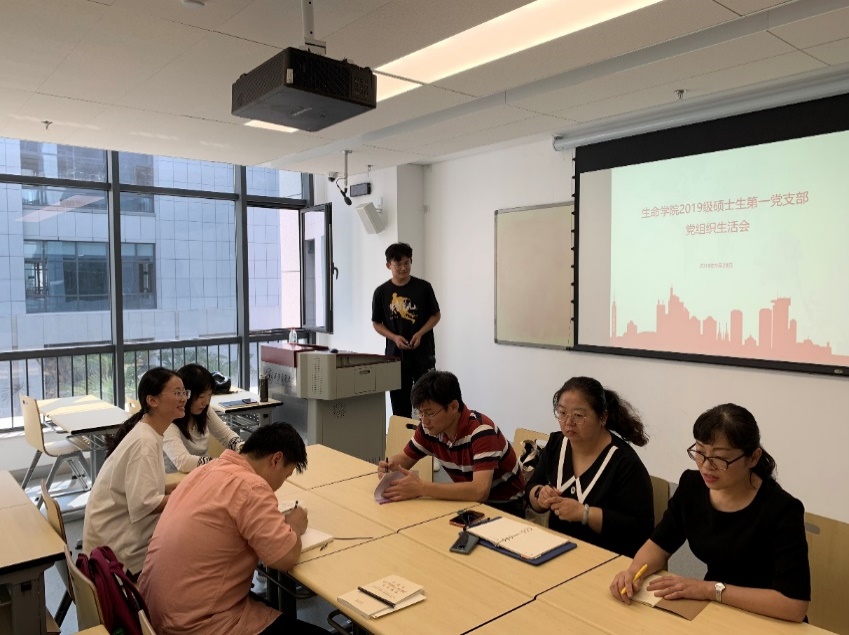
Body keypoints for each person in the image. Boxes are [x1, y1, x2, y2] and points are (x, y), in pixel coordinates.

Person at [611, 403, 810, 623]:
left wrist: (709, 589)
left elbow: (794, 606)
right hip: (716, 610)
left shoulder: (782, 510)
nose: (706, 466)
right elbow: (659, 544)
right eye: (700, 452)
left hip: (770, 619)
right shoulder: (692, 486)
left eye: (720, 458)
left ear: (753, 458)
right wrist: (634, 572)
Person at [140, 423, 327, 635]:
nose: (281, 483)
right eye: (286, 475)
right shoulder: (251, 486)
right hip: (196, 625)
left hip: (154, 612)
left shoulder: (204, 471)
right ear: (276, 459)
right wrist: (294, 525)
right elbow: (284, 558)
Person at [524, 377, 654, 557]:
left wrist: (585, 513)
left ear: (603, 417)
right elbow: (531, 488)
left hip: (607, 557)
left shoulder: (624, 462)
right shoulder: (556, 444)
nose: (568, 422)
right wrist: (540, 495)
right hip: (558, 549)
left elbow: (639, 528)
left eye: (579, 415)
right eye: (562, 413)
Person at [82, 367, 186, 575]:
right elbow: (143, 504)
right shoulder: (144, 442)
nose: (183, 398)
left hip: (109, 545)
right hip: (116, 557)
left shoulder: (148, 432)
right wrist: (186, 494)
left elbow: (139, 490)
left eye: (184, 392)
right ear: (152, 400)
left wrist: (172, 488)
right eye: (177, 393)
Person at [378, 370, 525, 515]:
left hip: (506, 508)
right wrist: (390, 465)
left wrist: (422, 488)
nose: (424, 421)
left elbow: (480, 491)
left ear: (453, 407)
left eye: (429, 413)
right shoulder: (429, 429)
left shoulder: (481, 432)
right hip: (468, 503)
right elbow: (404, 459)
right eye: (420, 413)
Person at [371, 242, 441, 417]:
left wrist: (420, 333)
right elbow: (377, 323)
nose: (403, 268)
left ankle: (426, 434)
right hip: (396, 356)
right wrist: (394, 337)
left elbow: (436, 315)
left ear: (411, 261)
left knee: (427, 402)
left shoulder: (424, 287)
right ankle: (403, 435)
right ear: (388, 265)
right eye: (398, 264)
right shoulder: (381, 292)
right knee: (399, 405)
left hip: (423, 355)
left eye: (406, 263)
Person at [163, 363, 244, 473]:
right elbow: (183, 462)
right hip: (177, 477)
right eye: (201, 396)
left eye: (209, 395)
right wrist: (220, 463)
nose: (205, 402)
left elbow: (227, 436)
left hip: (204, 472)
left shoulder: (204, 411)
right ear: (185, 394)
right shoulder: (168, 421)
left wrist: (243, 448)